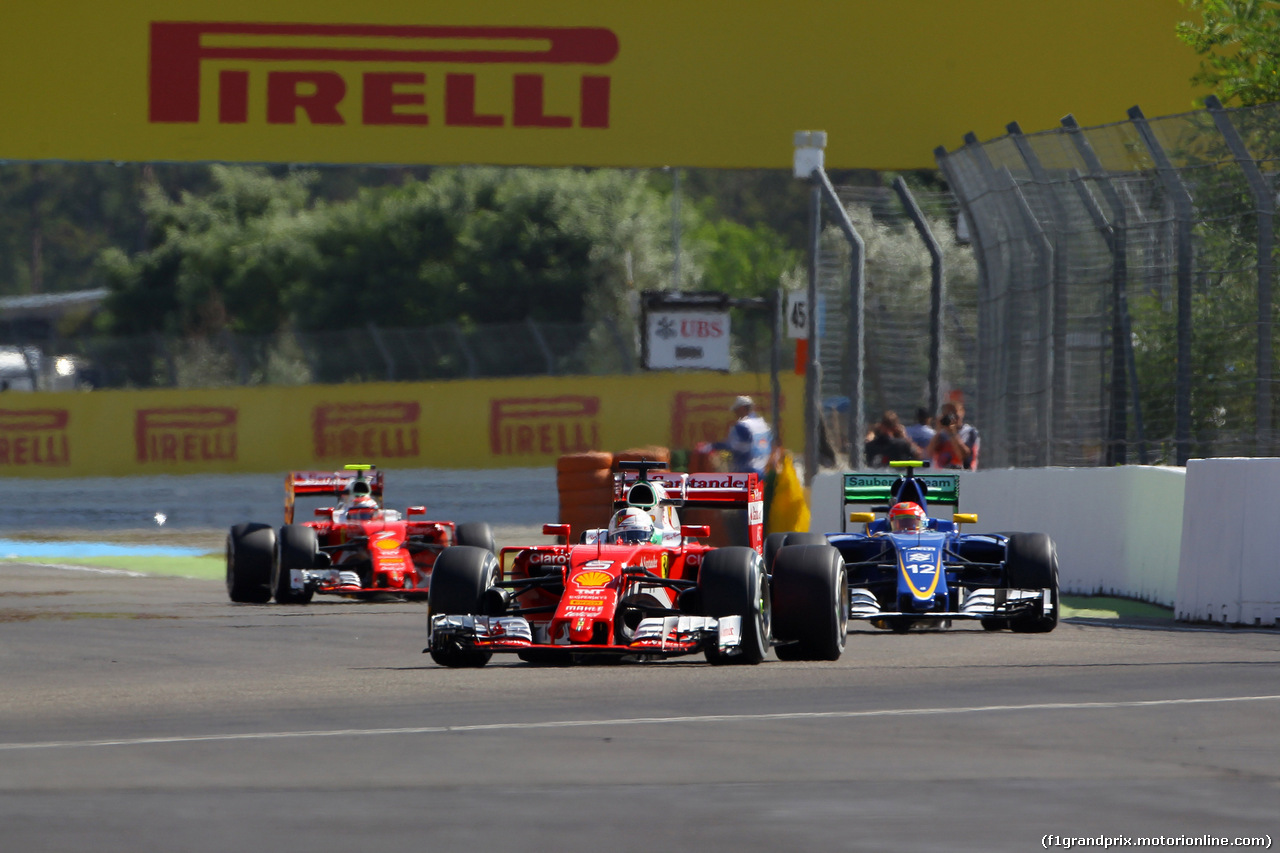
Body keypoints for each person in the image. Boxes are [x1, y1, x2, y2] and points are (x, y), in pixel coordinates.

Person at [713, 395, 772, 478]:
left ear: (742, 408)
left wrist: (712, 446)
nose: (735, 413)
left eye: (736, 410)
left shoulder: (742, 426)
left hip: (747, 471)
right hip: (763, 470)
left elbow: (733, 446)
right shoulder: (763, 424)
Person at [925, 400, 980, 470]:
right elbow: (929, 454)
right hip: (943, 473)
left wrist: (952, 433)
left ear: (962, 412)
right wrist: (938, 430)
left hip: (964, 473)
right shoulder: (941, 434)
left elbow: (965, 457)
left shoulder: (969, 432)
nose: (952, 417)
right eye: (948, 414)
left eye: (954, 413)